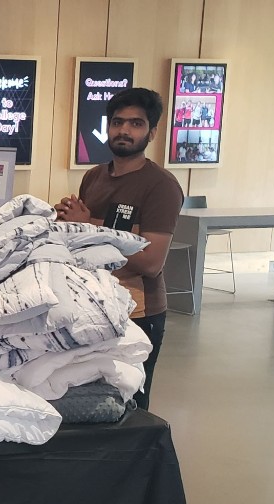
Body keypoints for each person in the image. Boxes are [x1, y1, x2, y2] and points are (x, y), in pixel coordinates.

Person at [55, 87, 184, 411]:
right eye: (117, 122)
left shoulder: (161, 186)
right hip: (93, 304)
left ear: (152, 132)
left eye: (136, 124)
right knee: (93, 402)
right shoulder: (94, 176)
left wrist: (89, 227)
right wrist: (66, 223)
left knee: (131, 406)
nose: (124, 130)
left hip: (138, 313)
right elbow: (85, 244)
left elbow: (152, 261)